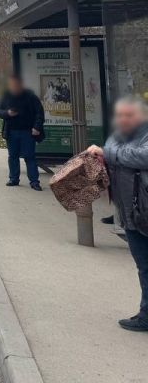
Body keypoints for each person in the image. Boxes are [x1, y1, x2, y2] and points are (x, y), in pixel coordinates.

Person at [88, 96, 148, 332]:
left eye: (129, 115)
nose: (124, 119)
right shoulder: (120, 136)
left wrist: (111, 153)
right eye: (120, 115)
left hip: (143, 209)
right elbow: (111, 148)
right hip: (131, 214)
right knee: (144, 267)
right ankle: (146, 314)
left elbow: (143, 156)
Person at [0, 73, 45, 190]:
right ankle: (13, 178)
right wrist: (7, 113)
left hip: (28, 132)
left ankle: (34, 181)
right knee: (13, 156)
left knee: (30, 157)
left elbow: (39, 113)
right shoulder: (6, 96)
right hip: (11, 132)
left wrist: (37, 127)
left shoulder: (30, 96)